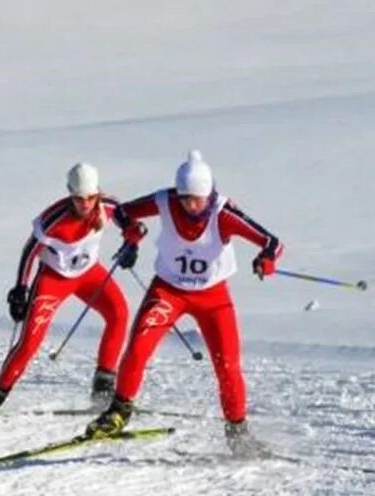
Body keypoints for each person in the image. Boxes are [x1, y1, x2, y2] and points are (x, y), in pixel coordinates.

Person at [87, 150, 283, 451]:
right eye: (185, 198)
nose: (191, 205)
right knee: (138, 347)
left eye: (198, 199)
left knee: (227, 365)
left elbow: (272, 242)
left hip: (213, 297)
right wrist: (131, 234)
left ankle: (238, 432)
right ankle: (119, 412)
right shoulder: (165, 201)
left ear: (209, 193)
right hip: (168, 291)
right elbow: (124, 212)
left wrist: (266, 259)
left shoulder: (223, 213)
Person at [0, 163, 134, 416]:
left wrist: (132, 242)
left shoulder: (108, 206)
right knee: (30, 341)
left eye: (90, 197)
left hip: (89, 274)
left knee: (119, 313)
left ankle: (103, 387)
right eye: (78, 198)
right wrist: (21, 289)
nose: (85, 204)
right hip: (54, 279)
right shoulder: (53, 218)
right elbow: (29, 251)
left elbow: (127, 221)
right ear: (70, 194)